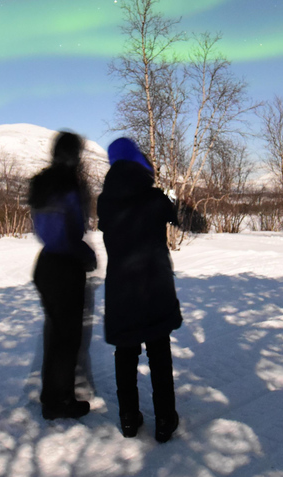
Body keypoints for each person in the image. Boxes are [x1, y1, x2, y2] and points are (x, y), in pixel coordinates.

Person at [97, 137, 182, 442]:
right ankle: (164, 420)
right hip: (155, 286)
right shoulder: (155, 198)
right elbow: (181, 217)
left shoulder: (105, 202)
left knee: (125, 353)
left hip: (122, 290)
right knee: (159, 352)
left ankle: (129, 419)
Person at [28, 131, 97, 420]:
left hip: (45, 265)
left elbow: (46, 228)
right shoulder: (67, 182)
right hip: (66, 267)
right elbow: (71, 228)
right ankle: (62, 401)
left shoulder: (41, 182)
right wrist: (83, 252)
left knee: (55, 335)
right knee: (67, 339)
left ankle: (51, 396)